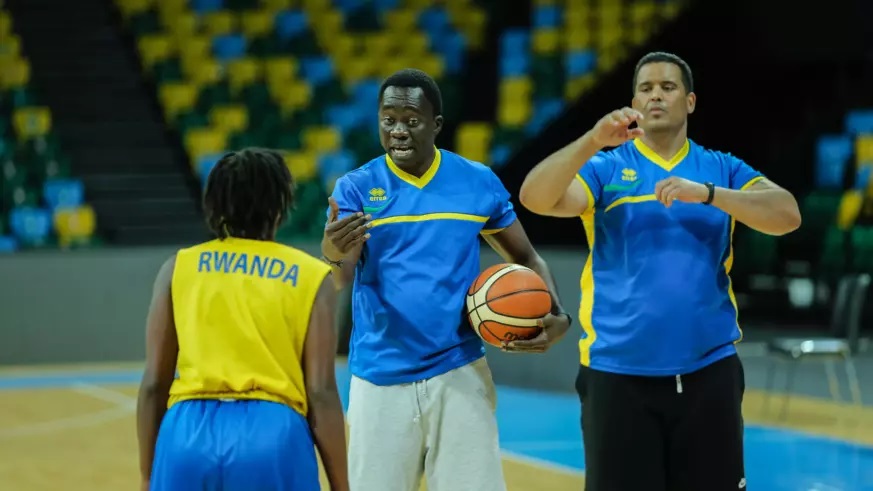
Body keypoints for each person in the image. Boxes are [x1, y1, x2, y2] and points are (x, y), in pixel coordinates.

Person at [519, 51, 801, 491]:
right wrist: (592, 140)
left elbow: (787, 214)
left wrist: (708, 195)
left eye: (667, 87)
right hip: (617, 374)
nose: (655, 96)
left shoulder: (721, 168)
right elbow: (534, 197)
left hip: (709, 372)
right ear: (633, 101)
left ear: (689, 102)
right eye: (645, 88)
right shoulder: (606, 168)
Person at [321, 68, 572, 491]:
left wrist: (556, 311)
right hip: (380, 376)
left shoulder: (476, 182)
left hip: (459, 370)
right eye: (388, 119)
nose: (398, 130)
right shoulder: (357, 188)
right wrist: (332, 253)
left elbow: (525, 255)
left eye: (411, 120)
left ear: (436, 125)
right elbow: (340, 278)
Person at [136, 148, 349, 491]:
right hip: (271, 433)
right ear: (279, 205)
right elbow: (321, 391)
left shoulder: (177, 267)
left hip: (186, 435)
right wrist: (342, 485)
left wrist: (148, 474)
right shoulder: (310, 274)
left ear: (215, 203)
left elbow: (153, 386)